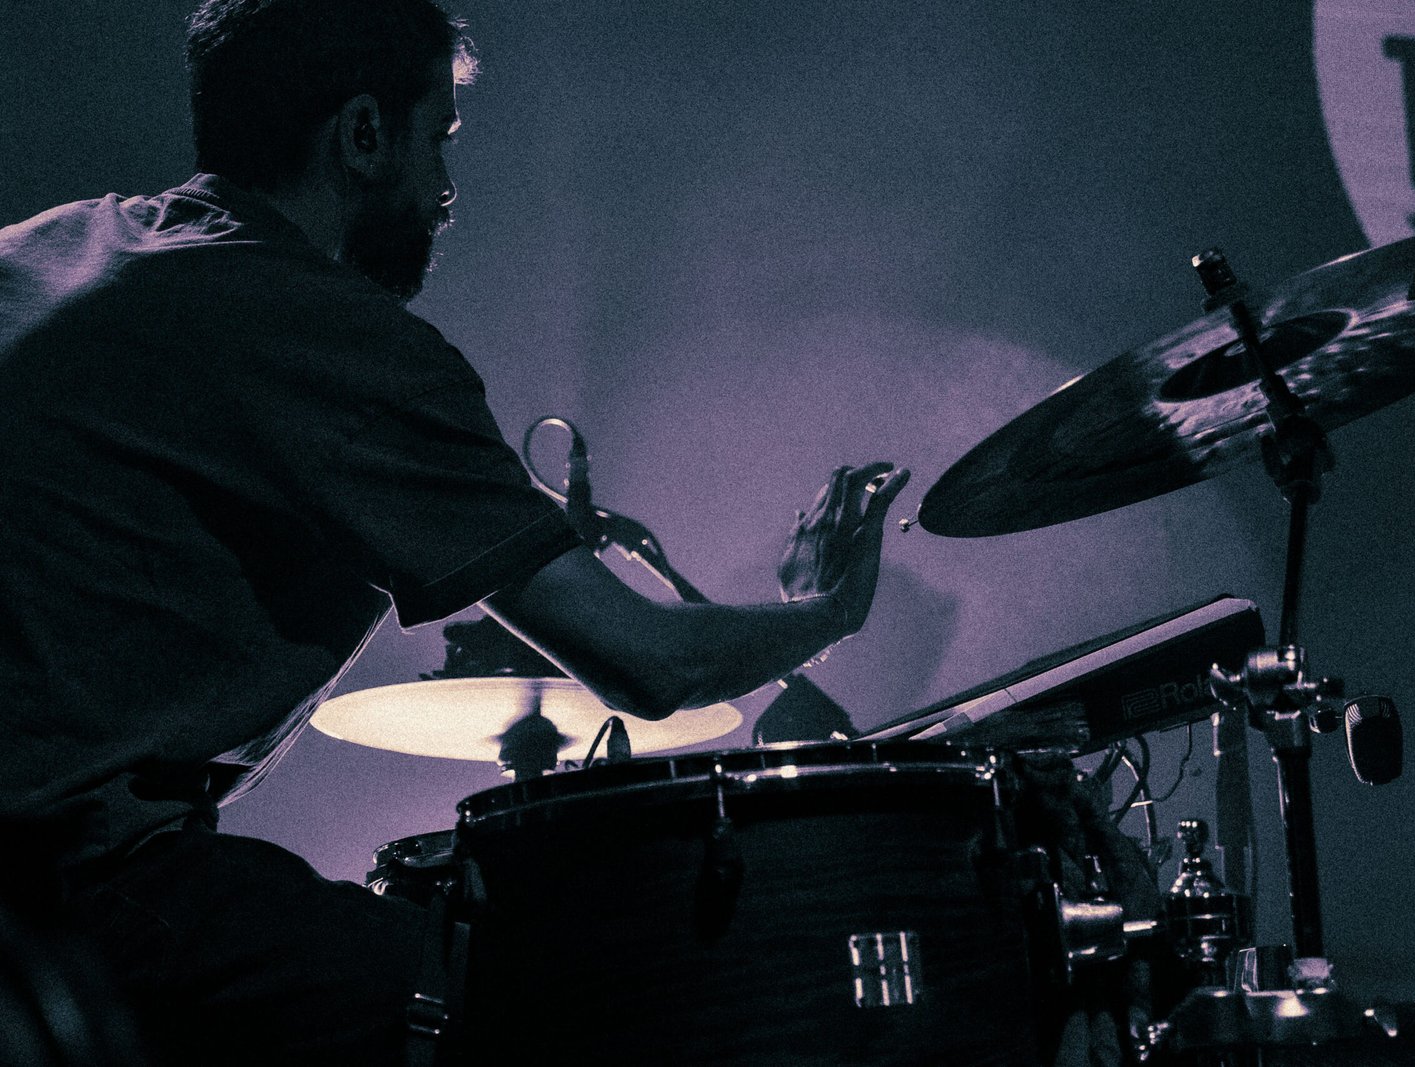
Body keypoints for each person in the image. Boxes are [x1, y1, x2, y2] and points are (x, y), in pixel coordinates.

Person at [0, 0, 908, 1062]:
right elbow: (650, 667)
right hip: (64, 891)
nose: (447, 190)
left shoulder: (42, 249)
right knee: (545, 998)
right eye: (439, 139)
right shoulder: (333, 337)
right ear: (363, 135)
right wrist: (826, 611)